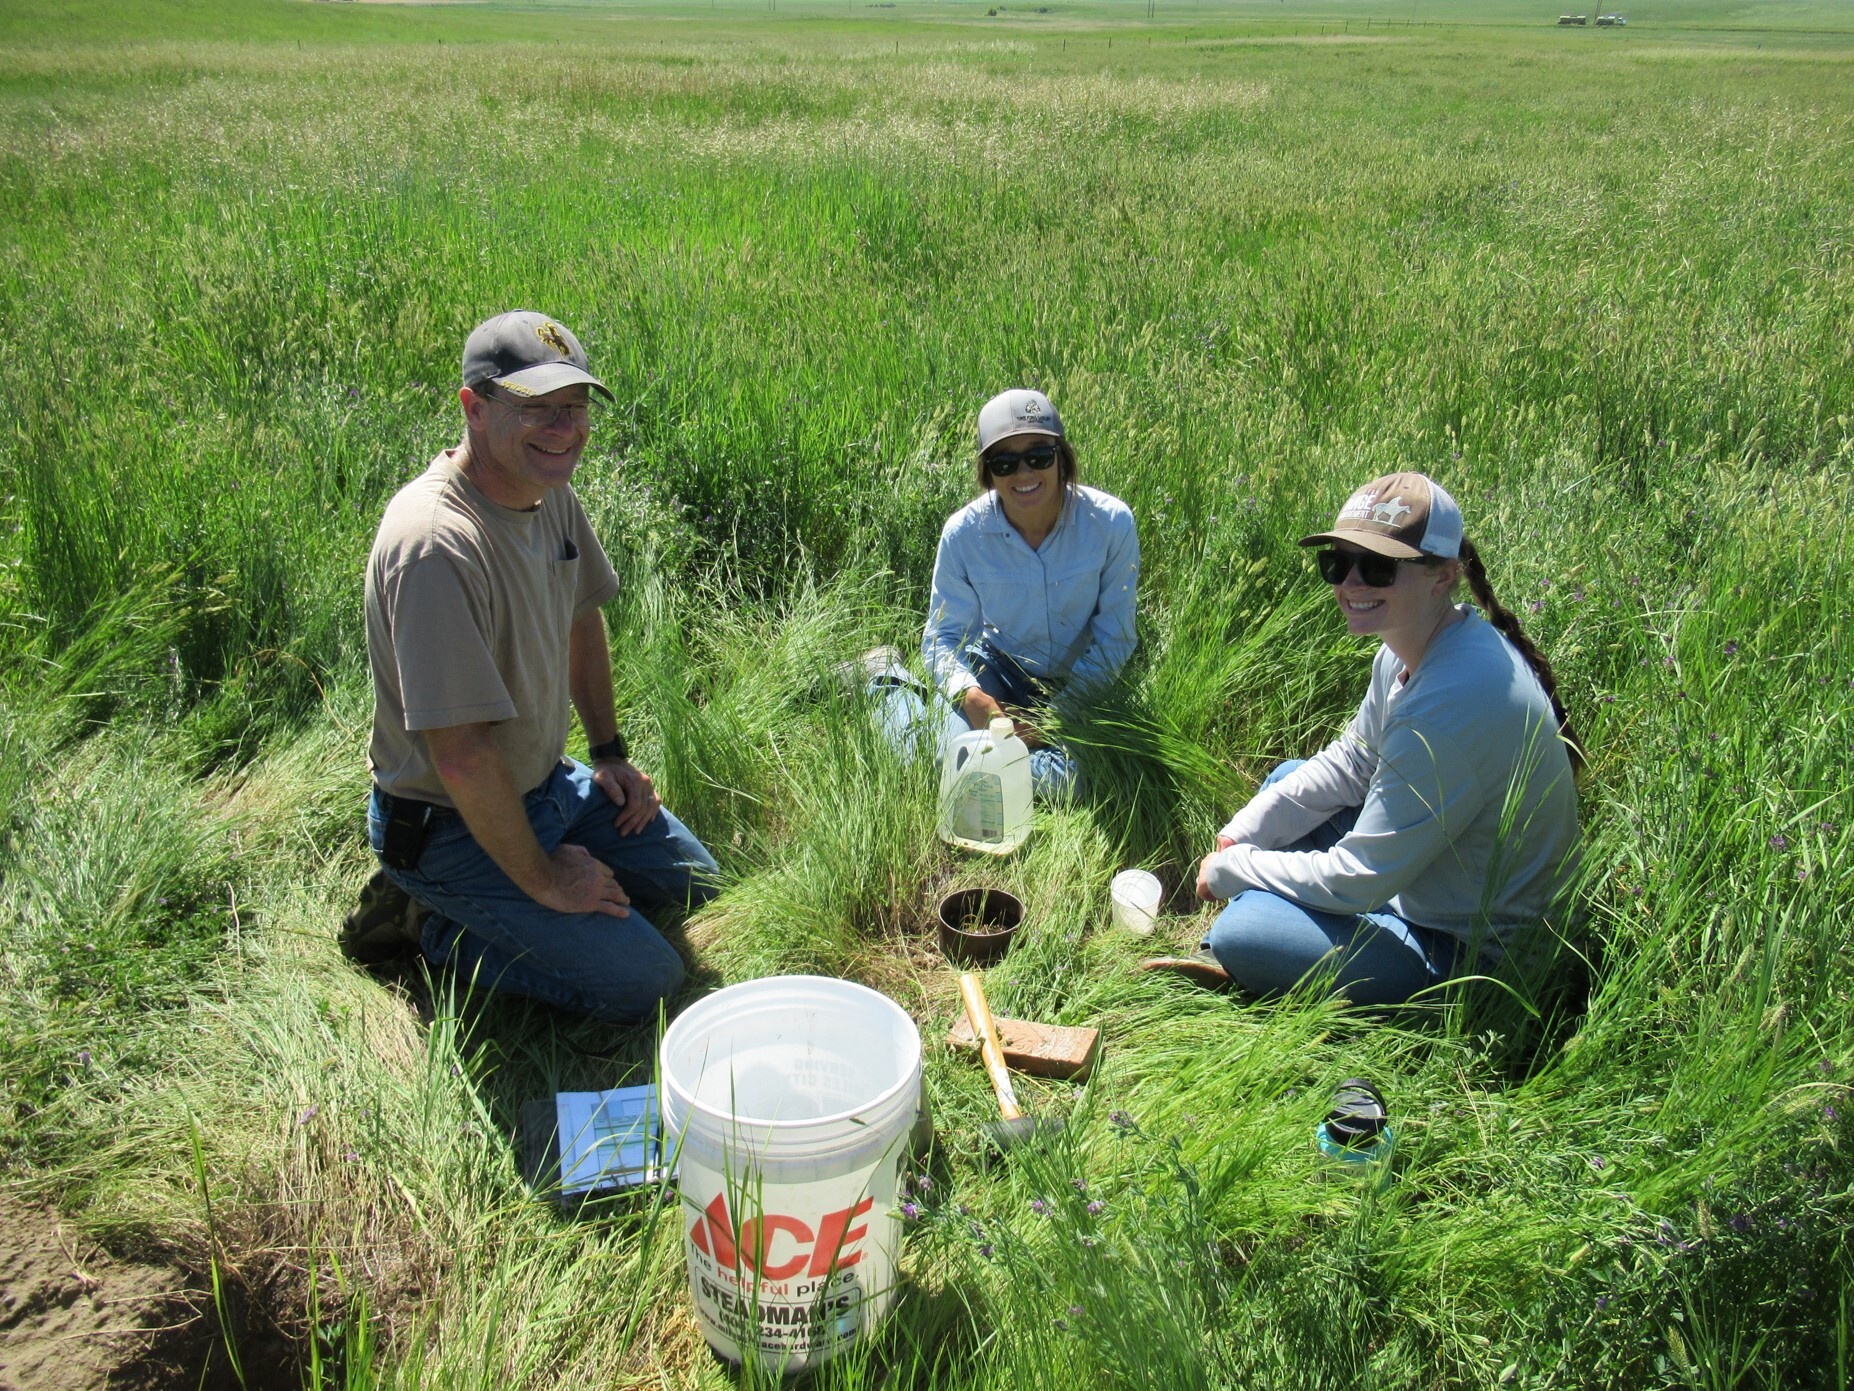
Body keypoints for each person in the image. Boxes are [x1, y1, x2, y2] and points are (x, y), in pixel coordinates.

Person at [340, 310, 718, 1021]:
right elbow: (460, 756)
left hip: (546, 781)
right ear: (473, 408)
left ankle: (517, 885)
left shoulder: (549, 494)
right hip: (448, 821)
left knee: (698, 882)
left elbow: (582, 617)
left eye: (573, 408)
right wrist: (545, 879)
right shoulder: (435, 546)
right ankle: (433, 923)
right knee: (648, 982)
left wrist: (609, 756)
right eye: (536, 408)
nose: (563, 429)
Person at [1144, 471, 1580, 1006]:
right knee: (1285, 784)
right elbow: (1354, 761)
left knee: (1246, 930)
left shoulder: (1448, 706)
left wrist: (1237, 868)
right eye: (1338, 562)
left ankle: (1242, 951)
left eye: (1376, 567)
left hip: (1473, 959)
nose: (1351, 584)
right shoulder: (1410, 643)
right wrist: (1243, 832)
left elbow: (1359, 878)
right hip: (1437, 875)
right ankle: (1271, 938)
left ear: (1442, 576)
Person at [867, 388, 1139, 796]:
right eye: (1005, 463)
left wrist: (1053, 718)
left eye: (1039, 456)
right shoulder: (962, 534)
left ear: (1061, 458)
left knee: (1076, 782)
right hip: (998, 668)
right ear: (988, 473)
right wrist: (971, 696)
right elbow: (942, 637)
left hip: (1079, 679)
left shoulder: (1111, 523)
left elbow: (1114, 639)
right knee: (931, 756)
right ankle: (885, 680)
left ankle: (985, 766)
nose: (1024, 474)